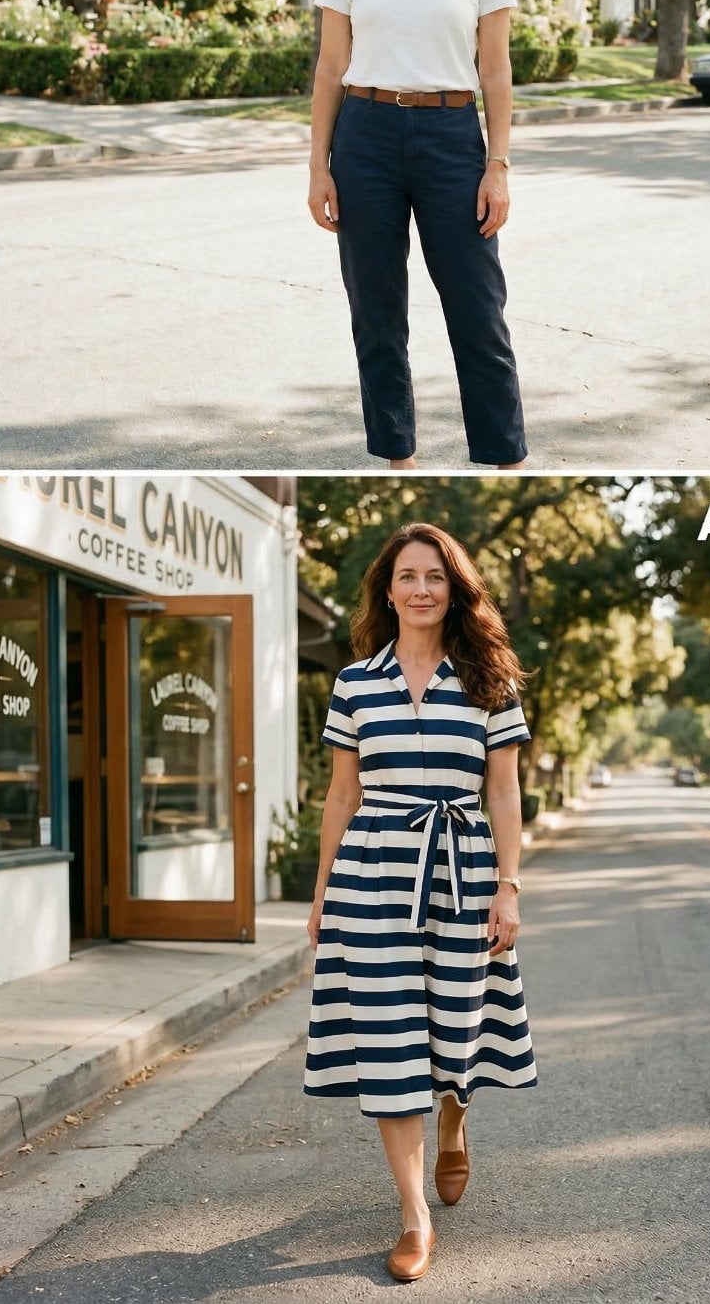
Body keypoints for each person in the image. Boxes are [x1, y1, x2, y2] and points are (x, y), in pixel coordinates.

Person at [304, 523, 537, 1282]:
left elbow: (503, 792)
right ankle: (414, 1217)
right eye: (407, 575)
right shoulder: (354, 683)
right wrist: (320, 894)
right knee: (389, 1043)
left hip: (463, 869)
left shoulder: (487, 679)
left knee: (457, 1026)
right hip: (370, 875)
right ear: (387, 589)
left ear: (455, 587)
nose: (421, 589)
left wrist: (508, 887)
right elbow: (342, 795)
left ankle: (455, 1119)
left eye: (435, 576)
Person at [307, 0, 527, 472]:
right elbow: (331, 67)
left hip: (451, 134)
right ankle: (398, 458)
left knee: (477, 307)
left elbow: (495, 68)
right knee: (376, 312)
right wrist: (319, 166)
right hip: (366, 137)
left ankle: (505, 456)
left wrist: (498, 166)